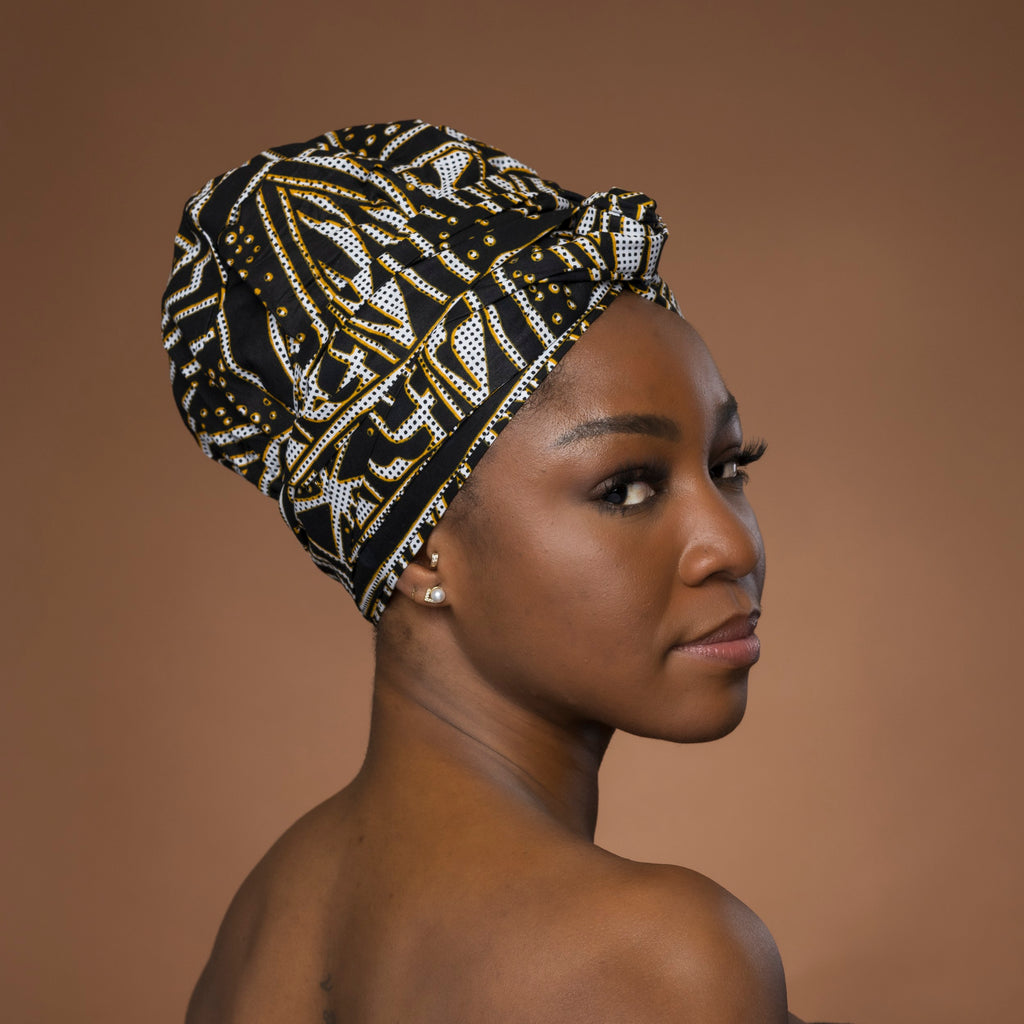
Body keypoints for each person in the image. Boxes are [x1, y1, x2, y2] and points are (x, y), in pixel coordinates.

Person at [163, 121, 831, 1023]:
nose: (731, 546)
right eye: (626, 488)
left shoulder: (264, 925)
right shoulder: (659, 961)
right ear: (421, 549)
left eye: (729, 465)